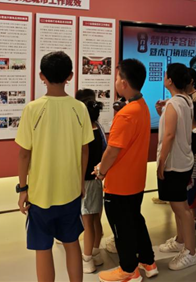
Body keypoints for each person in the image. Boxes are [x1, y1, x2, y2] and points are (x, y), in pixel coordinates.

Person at [15, 51, 94, 282]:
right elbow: (85, 150)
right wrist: (80, 182)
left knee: (43, 248)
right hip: (70, 191)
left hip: (40, 194)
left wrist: (23, 188)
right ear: (70, 76)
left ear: (42, 76)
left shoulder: (32, 109)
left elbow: (24, 154)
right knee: (72, 243)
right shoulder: (79, 108)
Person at [95, 59, 158, 282]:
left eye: (116, 78)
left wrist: (101, 171)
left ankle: (129, 270)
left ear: (123, 82)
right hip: (136, 180)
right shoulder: (141, 106)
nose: (115, 82)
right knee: (135, 220)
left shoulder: (125, 114)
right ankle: (148, 261)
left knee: (122, 227)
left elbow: (112, 151)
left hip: (120, 184)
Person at [157, 63, 196, 271]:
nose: (164, 78)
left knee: (182, 208)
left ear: (171, 80)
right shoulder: (186, 100)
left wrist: (161, 162)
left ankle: (191, 251)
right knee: (178, 206)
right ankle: (181, 240)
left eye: (166, 75)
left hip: (174, 164)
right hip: (183, 160)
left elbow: (170, 135)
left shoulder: (174, 103)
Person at [75, 89, 107, 274]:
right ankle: (96, 252)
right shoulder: (99, 129)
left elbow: (80, 158)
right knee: (96, 220)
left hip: (86, 182)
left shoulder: (83, 133)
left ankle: (87, 258)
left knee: (87, 223)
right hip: (96, 180)